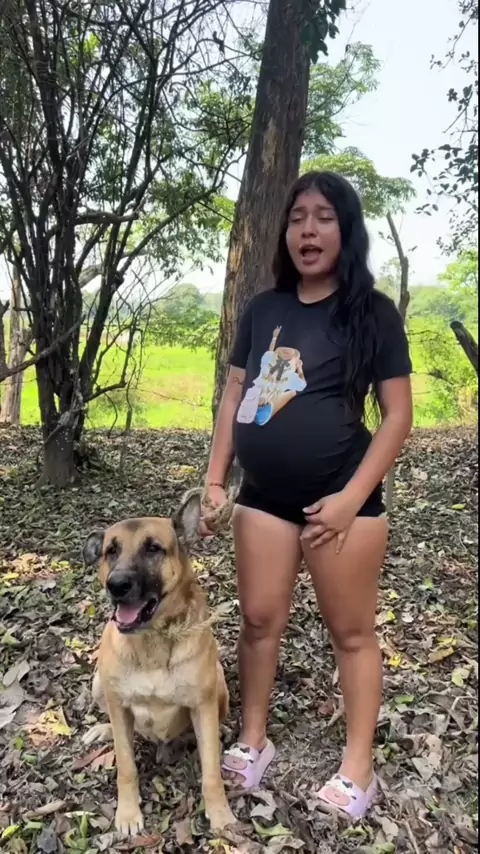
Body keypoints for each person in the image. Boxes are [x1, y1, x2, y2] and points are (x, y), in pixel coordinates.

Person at [201, 171, 413, 820]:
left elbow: (398, 416)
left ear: (345, 229)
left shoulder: (371, 313)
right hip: (262, 498)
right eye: (297, 217)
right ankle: (253, 738)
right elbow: (235, 394)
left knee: (351, 633)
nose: (308, 230)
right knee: (259, 621)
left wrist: (351, 498)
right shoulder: (264, 309)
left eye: (323, 217)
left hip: (341, 504)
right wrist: (216, 479)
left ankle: (357, 768)